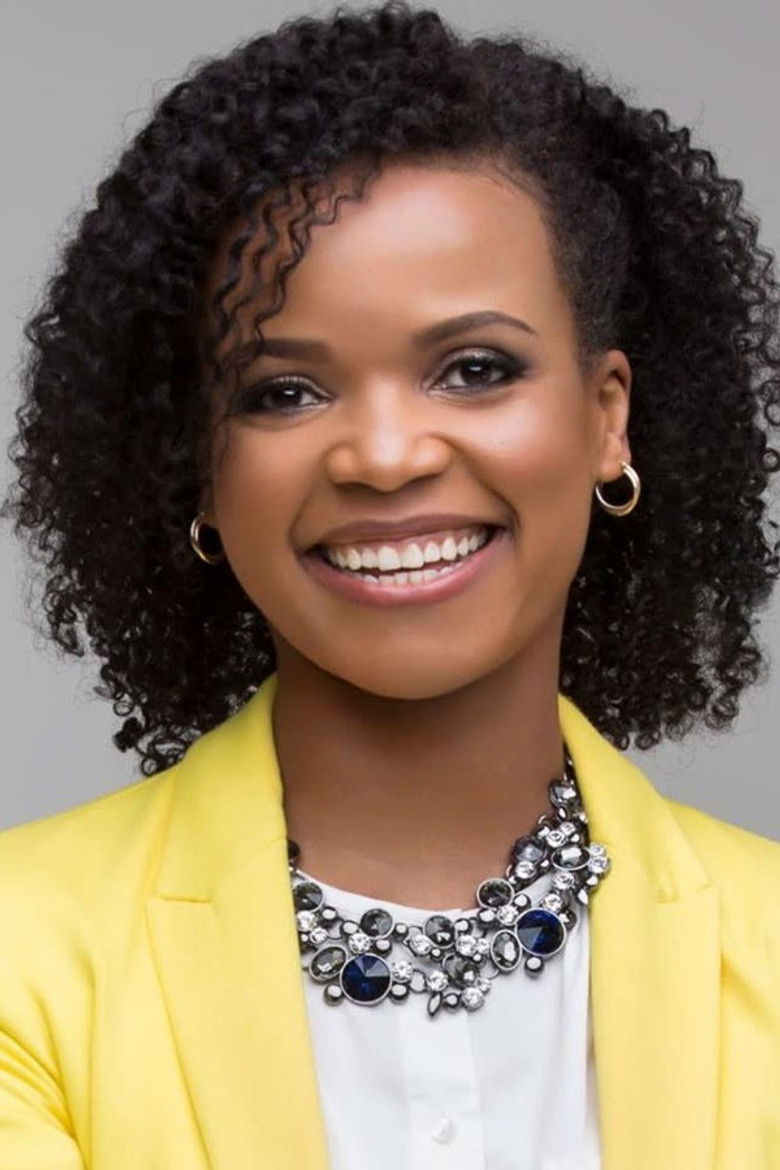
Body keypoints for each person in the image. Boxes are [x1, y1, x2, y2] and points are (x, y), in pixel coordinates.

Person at [2, 2, 779, 1166]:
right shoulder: (19, 958)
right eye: (283, 392)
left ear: (605, 418)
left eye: (474, 368)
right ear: (200, 467)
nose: (383, 456)